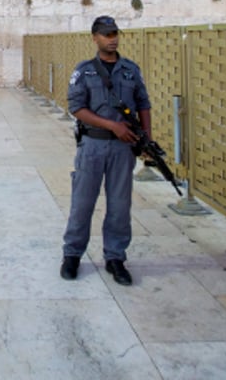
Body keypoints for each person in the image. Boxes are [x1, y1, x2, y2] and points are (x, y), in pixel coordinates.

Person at [60, 15, 152, 286]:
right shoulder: (85, 70)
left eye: (115, 34)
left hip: (122, 148)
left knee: (120, 205)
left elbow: (143, 104)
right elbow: (76, 107)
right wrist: (112, 125)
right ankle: (72, 254)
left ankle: (115, 258)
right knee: (82, 203)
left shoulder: (130, 70)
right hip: (93, 145)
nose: (112, 39)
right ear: (95, 37)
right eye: (106, 34)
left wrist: (146, 138)